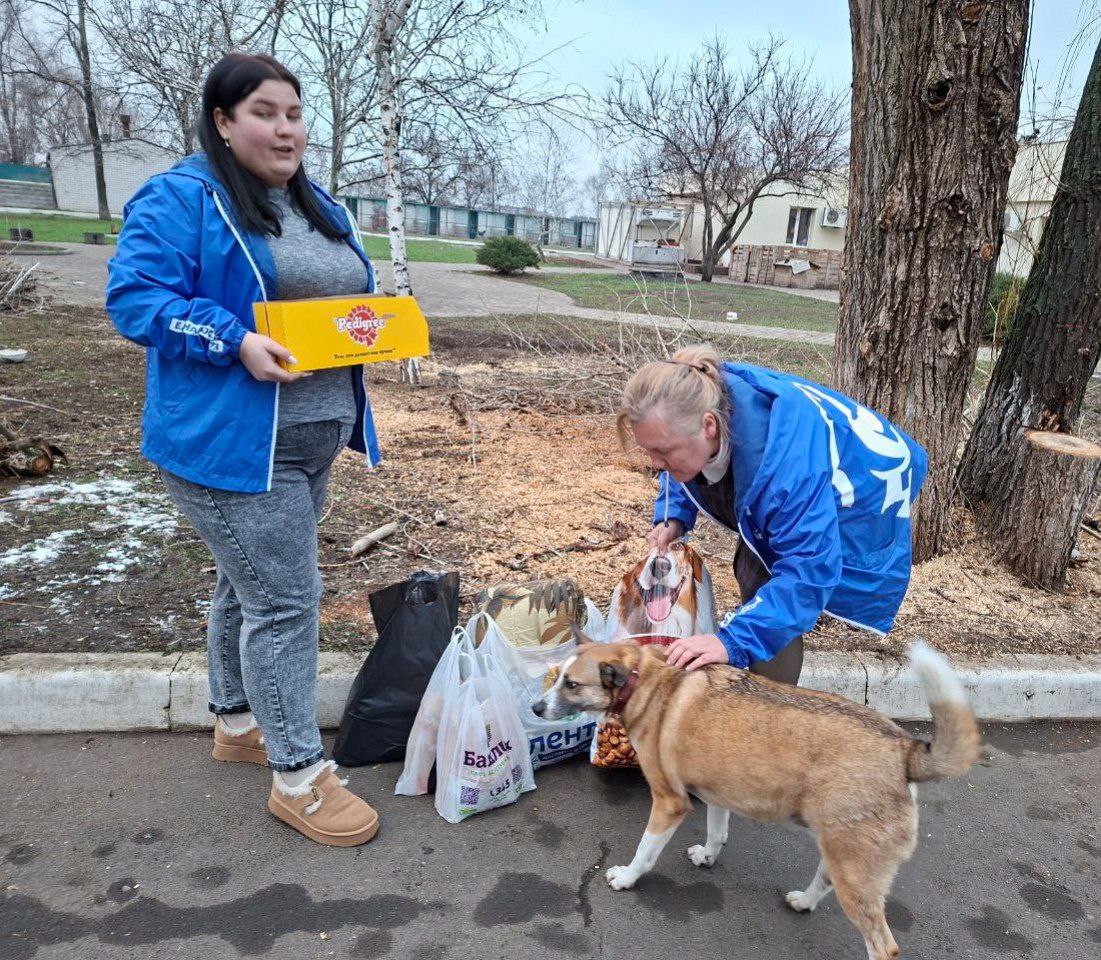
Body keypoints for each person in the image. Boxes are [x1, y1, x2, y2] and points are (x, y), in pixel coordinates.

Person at [106, 53, 382, 846]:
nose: (286, 128)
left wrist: (382, 323)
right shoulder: (181, 198)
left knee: (247, 585)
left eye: (295, 113)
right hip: (232, 447)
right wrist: (233, 342)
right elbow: (135, 299)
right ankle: (299, 777)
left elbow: (337, 301)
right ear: (224, 121)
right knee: (285, 603)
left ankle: (234, 720)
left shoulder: (312, 203)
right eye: (266, 112)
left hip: (311, 439)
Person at [617, 344, 927, 685]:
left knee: (770, 579)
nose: (654, 464)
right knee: (756, 570)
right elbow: (679, 465)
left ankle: (773, 709)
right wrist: (674, 515)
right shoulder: (695, 396)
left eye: (662, 452)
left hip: (868, 483)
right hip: (789, 471)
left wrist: (732, 641)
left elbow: (809, 573)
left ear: (709, 427)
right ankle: (757, 680)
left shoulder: (786, 475)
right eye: (649, 450)